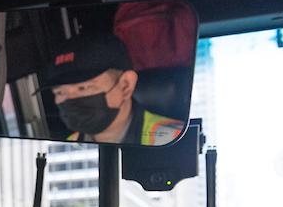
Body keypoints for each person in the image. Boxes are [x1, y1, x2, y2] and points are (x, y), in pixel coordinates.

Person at [46, 32, 184, 146]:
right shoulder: (67, 147)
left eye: (83, 87)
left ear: (126, 85)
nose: (70, 100)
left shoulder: (175, 140)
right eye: (60, 92)